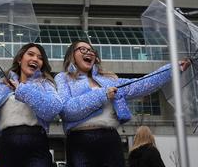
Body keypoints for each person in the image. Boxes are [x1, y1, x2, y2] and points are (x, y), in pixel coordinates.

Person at [55, 40, 191, 167]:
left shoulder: (109, 80)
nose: (89, 52)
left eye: (91, 50)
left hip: (110, 140)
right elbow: (67, 110)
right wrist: (103, 95)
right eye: (83, 49)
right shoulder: (63, 78)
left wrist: (172, 69)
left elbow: (142, 84)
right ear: (71, 55)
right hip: (80, 141)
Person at [0, 34, 62, 167]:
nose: (35, 59)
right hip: (8, 142)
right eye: (31, 54)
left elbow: (53, 108)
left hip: (37, 141)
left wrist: (21, 90)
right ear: (20, 60)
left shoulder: (46, 84)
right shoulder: (2, 85)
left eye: (40, 58)